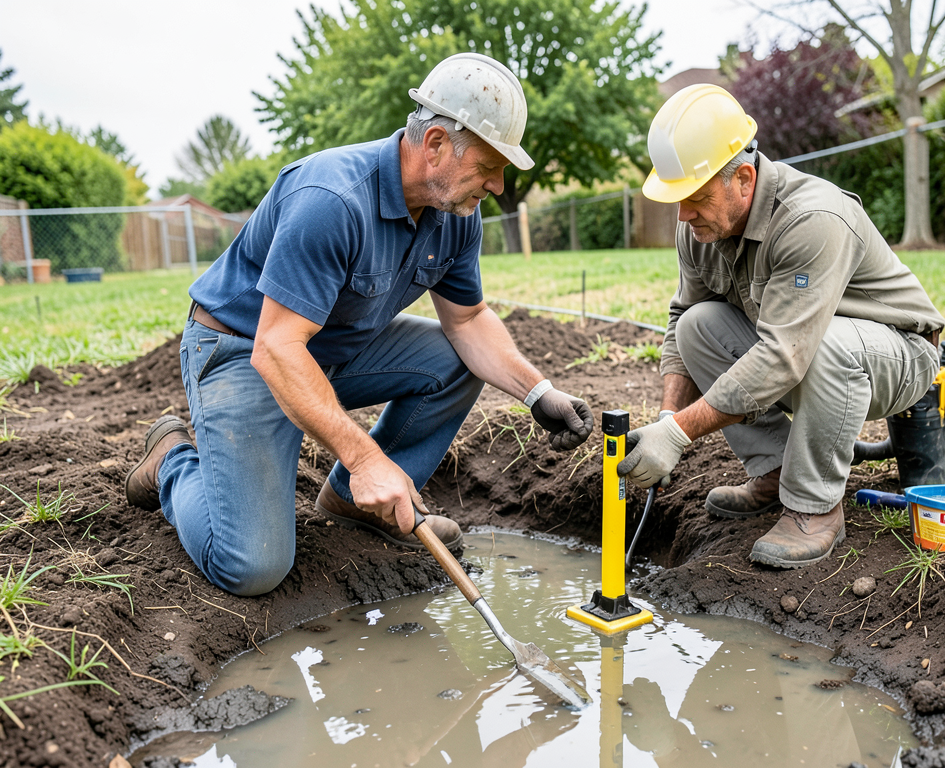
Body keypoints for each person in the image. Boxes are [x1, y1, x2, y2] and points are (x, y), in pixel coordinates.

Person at [125, 53, 594, 596]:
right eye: (489, 167)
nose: (495, 185)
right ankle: (172, 462)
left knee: (455, 361)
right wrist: (366, 456)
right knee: (251, 566)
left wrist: (539, 393)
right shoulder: (331, 200)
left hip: (330, 346)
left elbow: (467, 321)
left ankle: (353, 500)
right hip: (244, 350)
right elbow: (277, 348)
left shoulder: (457, 215)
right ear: (436, 143)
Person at [618, 84, 945, 568]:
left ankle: (814, 507)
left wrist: (682, 433)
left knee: (827, 344)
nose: (683, 215)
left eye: (695, 198)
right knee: (696, 326)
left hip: (897, 356)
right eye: (677, 200)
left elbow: (783, 354)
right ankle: (774, 469)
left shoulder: (812, 218)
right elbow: (678, 319)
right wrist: (669, 419)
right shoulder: (700, 228)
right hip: (807, 357)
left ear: (744, 179)